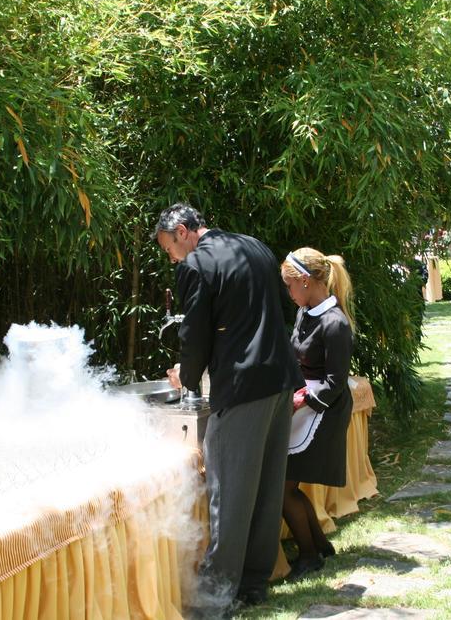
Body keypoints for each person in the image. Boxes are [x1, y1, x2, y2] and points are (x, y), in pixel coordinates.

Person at [155, 203, 303, 614]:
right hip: (279, 379)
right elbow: (266, 313)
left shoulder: (196, 264)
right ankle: (254, 584)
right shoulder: (255, 247)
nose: (172, 258)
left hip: (242, 388)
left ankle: (214, 600)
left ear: (183, 231)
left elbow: (196, 332)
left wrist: (186, 376)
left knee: (231, 495)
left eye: (170, 248)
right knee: (267, 488)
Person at [279, 248, 355, 581]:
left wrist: (304, 399)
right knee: (288, 484)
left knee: (284, 487)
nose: (288, 293)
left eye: (289, 286)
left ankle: (309, 556)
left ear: (306, 282)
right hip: (305, 402)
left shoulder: (335, 323)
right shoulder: (305, 312)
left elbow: (336, 382)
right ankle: (320, 544)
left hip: (325, 409)